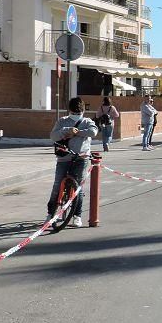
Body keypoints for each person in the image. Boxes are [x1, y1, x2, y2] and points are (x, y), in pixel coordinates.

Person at [46, 97, 98, 228]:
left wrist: (78, 132)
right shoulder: (63, 121)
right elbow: (53, 136)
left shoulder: (87, 121)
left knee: (77, 187)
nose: (76, 113)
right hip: (64, 158)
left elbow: (94, 131)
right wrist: (66, 130)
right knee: (58, 186)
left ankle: (77, 215)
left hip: (81, 158)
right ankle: (50, 214)